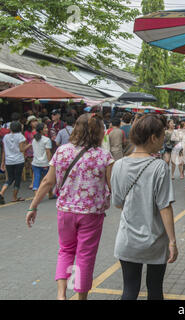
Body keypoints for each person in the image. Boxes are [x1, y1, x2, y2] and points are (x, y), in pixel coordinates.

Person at [25, 113, 114, 300]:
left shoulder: (62, 151)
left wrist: (33, 207)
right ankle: (81, 297)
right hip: (91, 214)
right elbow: (113, 186)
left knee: (65, 250)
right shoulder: (104, 156)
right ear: (99, 132)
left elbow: (48, 182)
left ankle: (61, 295)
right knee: (84, 256)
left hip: (65, 212)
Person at [111, 114, 177, 300]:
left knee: (129, 290)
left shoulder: (118, 165)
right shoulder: (159, 167)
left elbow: (117, 203)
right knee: (155, 289)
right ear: (153, 138)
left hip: (127, 240)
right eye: (162, 136)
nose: (164, 139)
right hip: (154, 240)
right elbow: (165, 207)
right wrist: (172, 241)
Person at [0, 121, 32, 203]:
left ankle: (1, 192)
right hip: (18, 160)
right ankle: (14, 197)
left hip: (8, 161)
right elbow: (22, 149)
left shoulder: (6, 137)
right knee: (17, 179)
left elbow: (4, 150)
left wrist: (2, 163)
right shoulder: (20, 136)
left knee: (10, 178)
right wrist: (29, 144)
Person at [31, 123, 53, 196]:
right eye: (45, 128)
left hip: (35, 162)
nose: (47, 129)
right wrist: (50, 162)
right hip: (44, 163)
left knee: (37, 178)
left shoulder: (34, 139)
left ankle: (36, 194)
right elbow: (48, 152)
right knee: (48, 179)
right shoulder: (46, 140)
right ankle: (50, 193)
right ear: (41, 130)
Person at [24, 115, 39, 188]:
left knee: (35, 167)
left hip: (38, 150)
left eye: (36, 121)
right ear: (30, 123)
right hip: (30, 151)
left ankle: (34, 183)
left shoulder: (39, 130)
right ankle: (35, 182)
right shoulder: (27, 132)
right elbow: (26, 142)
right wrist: (25, 153)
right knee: (33, 167)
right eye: (33, 121)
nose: (35, 123)